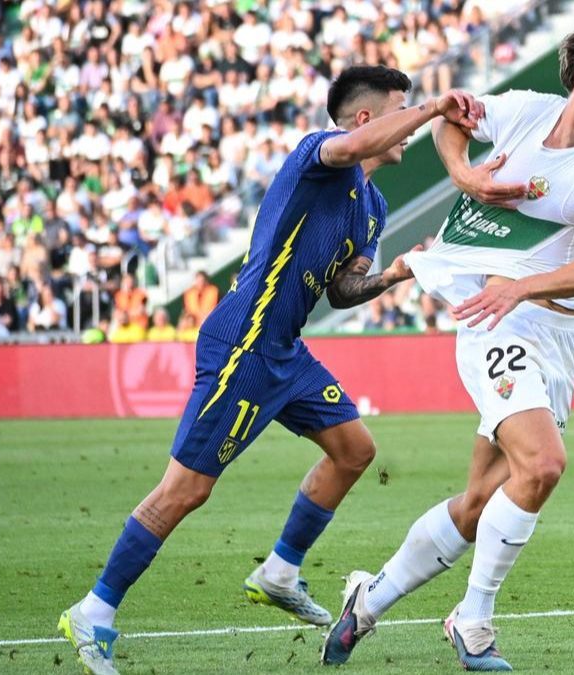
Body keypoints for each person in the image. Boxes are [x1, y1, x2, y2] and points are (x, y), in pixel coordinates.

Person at [57, 66, 485, 675]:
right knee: (187, 490)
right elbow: (349, 148)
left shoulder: (374, 206)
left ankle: (280, 571)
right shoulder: (318, 154)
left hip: (284, 348)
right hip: (244, 341)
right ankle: (93, 611)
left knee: (354, 450)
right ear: (366, 120)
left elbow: (342, 290)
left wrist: (394, 274)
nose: (410, 128)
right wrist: (440, 106)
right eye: (401, 112)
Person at [321, 24, 574, 672]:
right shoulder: (527, 112)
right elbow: (454, 114)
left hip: (554, 333)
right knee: (544, 465)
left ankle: (369, 597)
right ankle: (473, 620)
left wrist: (525, 286)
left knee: (478, 505)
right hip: (493, 319)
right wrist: (465, 174)